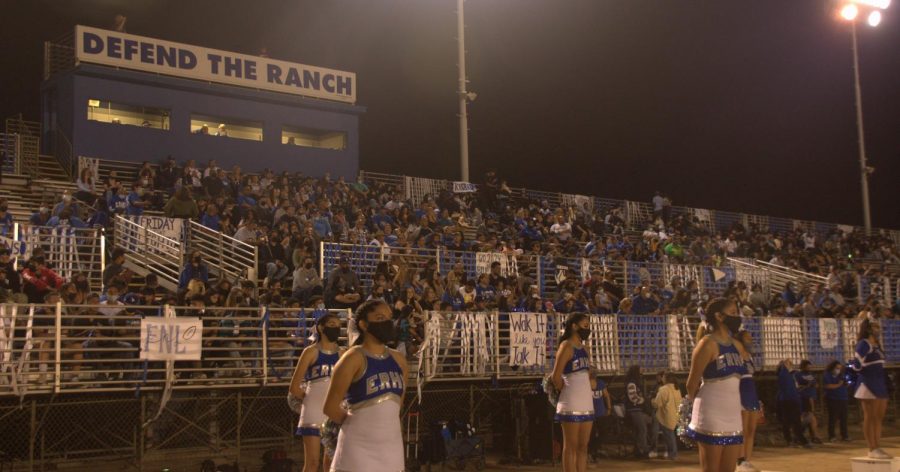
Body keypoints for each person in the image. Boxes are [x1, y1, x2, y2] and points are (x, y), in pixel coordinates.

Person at [323, 300, 407, 472]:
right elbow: (330, 408)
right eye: (380, 318)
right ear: (363, 324)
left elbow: (399, 405)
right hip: (357, 448)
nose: (387, 322)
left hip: (391, 448)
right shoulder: (353, 358)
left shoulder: (399, 359)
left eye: (389, 318)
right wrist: (358, 423)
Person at [686, 298, 748, 472]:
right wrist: (693, 407)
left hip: (733, 414)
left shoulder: (737, 346)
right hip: (711, 413)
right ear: (719, 316)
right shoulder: (707, 344)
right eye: (733, 313)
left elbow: (743, 380)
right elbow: (692, 383)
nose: (737, 317)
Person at [288, 312, 343, 472]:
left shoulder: (343, 353)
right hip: (313, 410)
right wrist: (310, 398)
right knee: (312, 463)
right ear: (321, 327)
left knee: (331, 462)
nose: (336, 328)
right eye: (332, 325)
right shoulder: (310, 352)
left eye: (338, 325)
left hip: (333, 411)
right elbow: (294, 387)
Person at [550, 313, 594, 472]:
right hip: (571, 401)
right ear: (574, 326)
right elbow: (556, 376)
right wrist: (568, 391)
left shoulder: (585, 349)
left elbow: (589, 375)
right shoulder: (566, 346)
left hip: (586, 401)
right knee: (571, 446)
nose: (587, 329)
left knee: (583, 446)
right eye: (585, 325)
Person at [851, 316, 891, 459]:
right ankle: (872, 447)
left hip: (879, 382)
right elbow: (856, 363)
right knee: (870, 416)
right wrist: (859, 369)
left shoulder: (877, 345)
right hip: (868, 382)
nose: (878, 330)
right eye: (875, 327)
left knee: (879, 417)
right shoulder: (864, 343)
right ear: (868, 329)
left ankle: (877, 446)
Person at [735, 330, 761, 472]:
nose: (750, 340)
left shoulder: (749, 357)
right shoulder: (737, 356)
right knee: (743, 430)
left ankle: (747, 460)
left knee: (751, 430)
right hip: (741, 392)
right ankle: (740, 459)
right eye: (747, 338)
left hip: (751, 392)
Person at [776, 359, 809, 448]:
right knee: (787, 421)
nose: (791, 365)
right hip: (787, 400)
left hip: (794, 399)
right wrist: (784, 366)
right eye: (788, 364)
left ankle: (798, 439)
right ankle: (792, 440)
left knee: (796, 421)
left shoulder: (792, 375)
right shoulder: (783, 374)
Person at [651, 370, 681, 461]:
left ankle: (673, 454)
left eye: (663, 377)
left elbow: (657, 403)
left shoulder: (664, 389)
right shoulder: (677, 388)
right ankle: (672, 454)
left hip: (667, 416)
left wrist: (652, 400)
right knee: (671, 436)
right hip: (676, 415)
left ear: (667, 379)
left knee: (669, 436)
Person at [624, 364, 652, 458]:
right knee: (642, 429)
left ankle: (638, 450)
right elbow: (633, 398)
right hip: (634, 410)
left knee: (640, 430)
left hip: (637, 410)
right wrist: (643, 400)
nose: (642, 370)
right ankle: (643, 450)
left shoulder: (635, 383)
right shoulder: (632, 384)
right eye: (640, 369)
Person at [796, 360, 823, 444]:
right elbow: (797, 386)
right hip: (803, 397)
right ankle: (804, 435)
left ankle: (813, 435)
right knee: (807, 417)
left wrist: (814, 385)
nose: (809, 368)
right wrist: (806, 385)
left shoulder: (812, 374)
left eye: (810, 366)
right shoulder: (798, 374)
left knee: (811, 416)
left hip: (811, 397)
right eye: (807, 366)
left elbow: (816, 384)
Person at [823, 360, 850, 443]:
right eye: (837, 368)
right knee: (833, 418)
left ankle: (844, 435)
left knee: (844, 418)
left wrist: (845, 384)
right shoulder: (827, 375)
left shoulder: (841, 375)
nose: (838, 370)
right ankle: (832, 436)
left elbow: (844, 383)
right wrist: (839, 384)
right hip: (833, 399)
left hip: (843, 398)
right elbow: (828, 386)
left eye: (840, 368)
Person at [589, 374, 611, 462]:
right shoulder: (585, 384)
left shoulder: (600, 383)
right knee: (591, 435)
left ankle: (595, 450)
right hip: (590, 414)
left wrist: (609, 408)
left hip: (601, 413)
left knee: (604, 433)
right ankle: (592, 453)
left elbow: (606, 396)